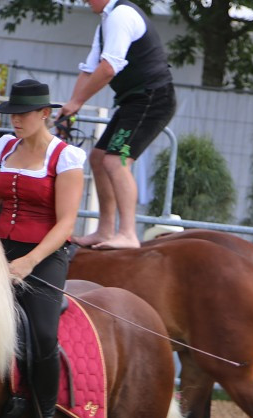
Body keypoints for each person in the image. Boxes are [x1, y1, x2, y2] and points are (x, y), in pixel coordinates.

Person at [0, 79, 87, 418]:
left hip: (46, 255)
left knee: (42, 334)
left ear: (45, 115)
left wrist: (28, 262)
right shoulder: (3, 147)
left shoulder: (67, 157)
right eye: (12, 115)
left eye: (22, 114)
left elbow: (66, 223)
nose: (15, 121)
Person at [59, 0, 176, 250]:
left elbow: (109, 68)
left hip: (152, 98)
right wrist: (71, 104)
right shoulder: (106, 21)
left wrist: (78, 101)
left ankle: (128, 234)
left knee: (117, 161)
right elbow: (89, 69)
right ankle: (104, 230)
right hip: (135, 101)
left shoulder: (121, 15)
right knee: (99, 158)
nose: (83, 1)